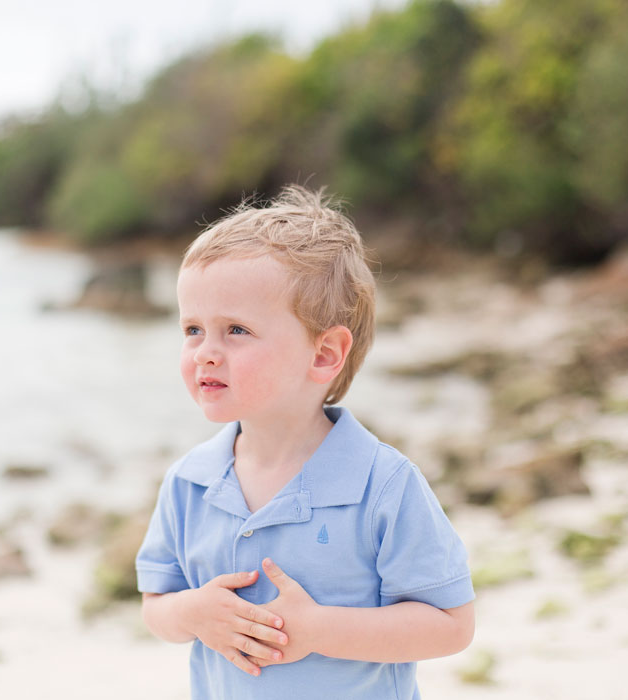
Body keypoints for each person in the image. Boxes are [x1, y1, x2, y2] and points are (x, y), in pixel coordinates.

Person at [135, 185, 475, 699]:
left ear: (323, 354)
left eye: (236, 330)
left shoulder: (382, 484)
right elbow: (157, 605)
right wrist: (191, 612)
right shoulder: (190, 483)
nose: (206, 352)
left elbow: (451, 624)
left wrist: (318, 629)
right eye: (192, 329)